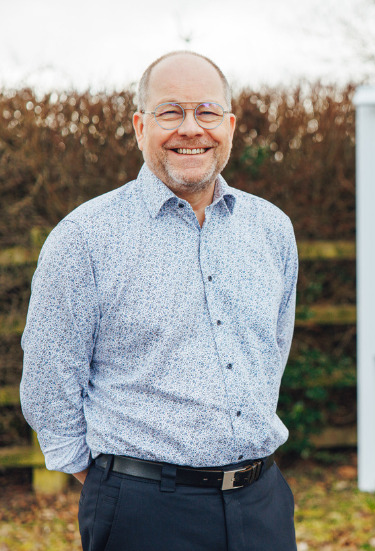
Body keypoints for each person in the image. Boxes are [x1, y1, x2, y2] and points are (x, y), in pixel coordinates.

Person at [20, 51, 298, 551]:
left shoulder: (272, 230)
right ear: (139, 125)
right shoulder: (86, 237)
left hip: (263, 506)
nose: (191, 128)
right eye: (170, 112)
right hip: (142, 514)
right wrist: (115, 482)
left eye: (207, 112)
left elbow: (272, 354)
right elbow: (48, 382)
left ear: (230, 126)